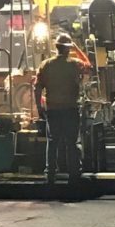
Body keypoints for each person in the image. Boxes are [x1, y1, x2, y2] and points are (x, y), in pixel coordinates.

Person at [34, 32, 84, 185]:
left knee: (52, 142)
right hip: (70, 109)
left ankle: (50, 175)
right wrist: (76, 47)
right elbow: (88, 64)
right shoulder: (75, 64)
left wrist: (39, 108)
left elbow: (37, 88)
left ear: (56, 47)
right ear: (68, 48)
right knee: (71, 143)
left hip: (53, 110)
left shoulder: (46, 65)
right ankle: (74, 175)